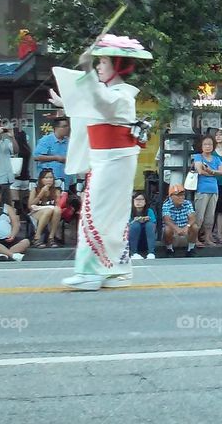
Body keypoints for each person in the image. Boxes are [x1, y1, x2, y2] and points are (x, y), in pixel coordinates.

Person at [48, 33, 153, 290]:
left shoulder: (119, 96)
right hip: (111, 161)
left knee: (95, 214)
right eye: (97, 63)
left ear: (116, 66)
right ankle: (115, 271)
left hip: (113, 161)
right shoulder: (113, 94)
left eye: (102, 62)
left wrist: (85, 69)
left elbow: (97, 100)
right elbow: (92, 105)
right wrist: (66, 103)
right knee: (110, 216)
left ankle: (91, 273)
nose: (98, 66)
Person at [191, 135, 222, 247]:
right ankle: (195, 239)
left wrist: (211, 170)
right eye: (205, 144)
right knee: (199, 216)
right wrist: (214, 172)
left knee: (210, 217)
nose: (208, 146)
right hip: (202, 189)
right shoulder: (198, 156)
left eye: (210, 144)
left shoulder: (216, 159)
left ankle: (207, 238)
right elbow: (200, 171)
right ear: (201, 146)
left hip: (214, 190)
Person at [28, 168, 63, 248]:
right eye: (46, 178)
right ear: (41, 180)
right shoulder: (35, 190)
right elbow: (30, 206)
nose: (49, 180)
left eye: (51, 178)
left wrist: (58, 197)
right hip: (36, 212)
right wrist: (41, 193)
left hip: (52, 213)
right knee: (48, 210)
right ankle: (36, 237)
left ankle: (51, 238)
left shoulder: (56, 191)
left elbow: (58, 205)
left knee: (57, 209)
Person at [161, 184, 198, 257]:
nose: (181, 197)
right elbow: (166, 219)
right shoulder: (166, 204)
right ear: (171, 196)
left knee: (194, 227)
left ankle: (191, 249)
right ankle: (169, 249)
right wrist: (177, 229)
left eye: (182, 195)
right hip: (173, 231)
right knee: (167, 229)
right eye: (178, 195)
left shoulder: (187, 203)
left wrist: (187, 227)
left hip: (185, 230)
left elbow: (192, 217)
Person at [33, 117, 70, 185]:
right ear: (56, 128)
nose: (67, 129)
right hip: (49, 180)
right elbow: (37, 157)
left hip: (66, 179)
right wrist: (56, 158)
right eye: (64, 126)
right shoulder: (46, 140)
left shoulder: (68, 141)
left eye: (67, 126)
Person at [128, 192, 157, 260]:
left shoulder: (149, 211)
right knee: (135, 225)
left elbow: (154, 226)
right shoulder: (129, 211)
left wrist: (148, 219)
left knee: (149, 224)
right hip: (132, 239)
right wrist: (134, 221)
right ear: (133, 201)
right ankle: (133, 253)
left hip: (146, 239)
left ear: (145, 202)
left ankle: (151, 253)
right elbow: (126, 227)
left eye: (141, 199)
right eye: (136, 199)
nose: (139, 202)